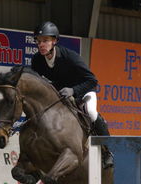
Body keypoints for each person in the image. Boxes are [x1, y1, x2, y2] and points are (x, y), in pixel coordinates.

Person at [31, 21, 113, 168]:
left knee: (92, 112)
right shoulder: (37, 61)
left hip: (83, 90)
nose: (41, 44)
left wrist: (73, 90)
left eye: (45, 41)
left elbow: (92, 80)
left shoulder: (70, 57)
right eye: (39, 41)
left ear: (54, 41)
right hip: (60, 94)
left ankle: (108, 151)